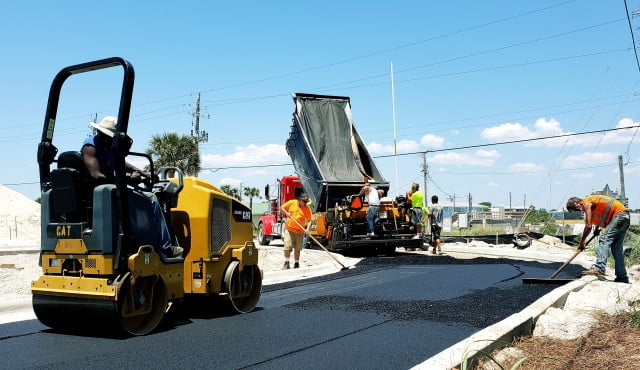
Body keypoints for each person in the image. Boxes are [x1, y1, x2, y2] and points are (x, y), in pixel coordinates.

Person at [82, 116, 182, 257]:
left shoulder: (107, 146)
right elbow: (97, 176)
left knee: (143, 197)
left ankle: (145, 242)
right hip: (104, 192)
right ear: (104, 134)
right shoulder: (90, 147)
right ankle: (164, 248)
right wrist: (128, 179)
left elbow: (121, 163)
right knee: (152, 199)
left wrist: (142, 172)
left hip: (111, 189)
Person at [566, 195, 630, 283]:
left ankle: (599, 268)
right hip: (625, 217)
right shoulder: (591, 204)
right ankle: (622, 277)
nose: (580, 210)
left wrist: (581, 243)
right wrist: (596, 230)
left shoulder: (586, 203)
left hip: (619, 215)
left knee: (604, 240)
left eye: (576, 208)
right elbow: (601, 215)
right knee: (616, 248)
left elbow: (588, 226)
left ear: (576, 203)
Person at [280, 193, 312, 269]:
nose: (304, 203)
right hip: (289, 229)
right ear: (300, 200)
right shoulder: (292, 203)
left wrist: (307, 229)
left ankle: (296, 263)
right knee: (287, 247)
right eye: (303, 202)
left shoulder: (306, 208)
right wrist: (286, 213)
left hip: (299, 231)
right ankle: (286, 262)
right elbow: (281, 208)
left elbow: (310, 220)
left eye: (306, 202)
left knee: (297, 249)